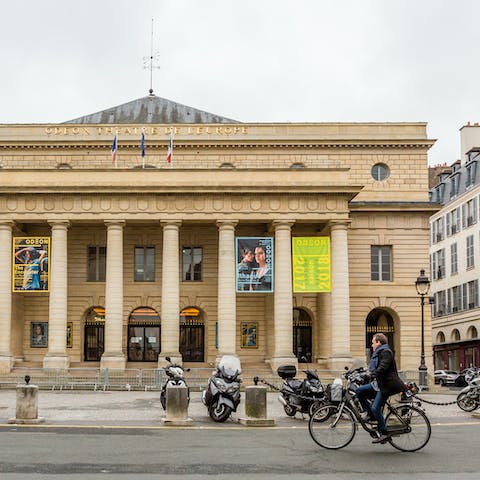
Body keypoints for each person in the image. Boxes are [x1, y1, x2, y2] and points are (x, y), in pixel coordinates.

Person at [355, 333, 405, 444]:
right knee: (359, 391)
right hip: (378, 384)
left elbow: (383, 366)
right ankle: (371, 415)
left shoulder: (386, 352)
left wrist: (371, 375)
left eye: (373, 342)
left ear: (378, 342)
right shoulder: (378, 353)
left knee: (375, 408)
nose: (372, 345)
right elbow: (375, 368)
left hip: (387, 385)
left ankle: (384, 433)